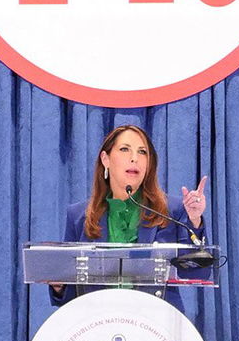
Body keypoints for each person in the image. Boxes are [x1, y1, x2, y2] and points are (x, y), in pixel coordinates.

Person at [50, 125, 207, 312]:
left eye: (142, 152)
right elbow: (70, 296)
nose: (134, 158)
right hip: (98, 325)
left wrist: (195, 220)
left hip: (157, 325)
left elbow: (198, 272)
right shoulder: (78, 215)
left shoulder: (172, 211)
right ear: (105, 159)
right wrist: (58, 285)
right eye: (125, 149)